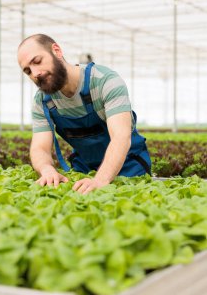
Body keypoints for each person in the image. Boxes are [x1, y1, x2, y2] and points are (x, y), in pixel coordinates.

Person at [17, 34, 151, 194]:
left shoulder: (105, 81)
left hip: (130, 168)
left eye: (37, 61)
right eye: (28, 71)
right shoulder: (43, 102)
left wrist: (100, 180)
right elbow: (40, 148)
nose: (35, 73)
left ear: (57, 51)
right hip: (84, 170)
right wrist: (47, 170)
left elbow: (121, 137)